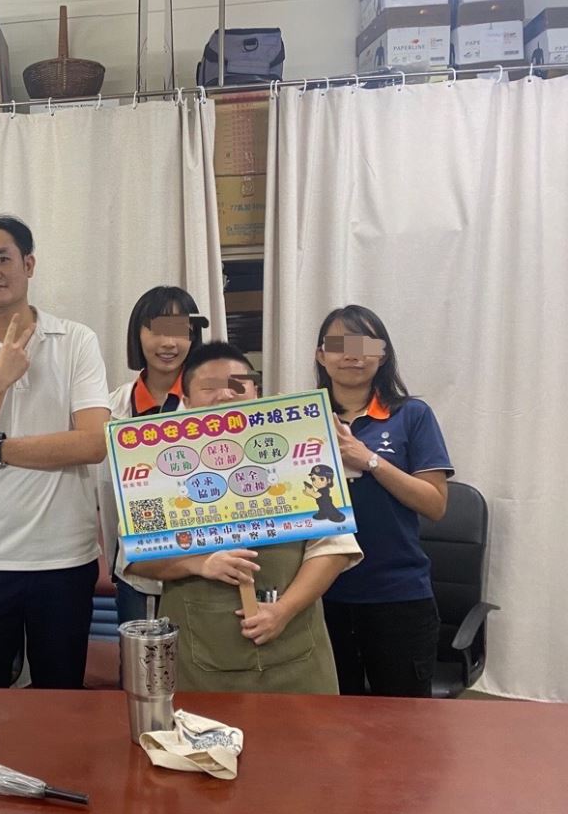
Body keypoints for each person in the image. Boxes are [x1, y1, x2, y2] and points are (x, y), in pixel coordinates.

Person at [0, 214, 111, 689]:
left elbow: (93, 442)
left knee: (60, 704)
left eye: (1, 259)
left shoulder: (77, 341)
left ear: (28, 264)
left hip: (64, 560)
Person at [125, 341, 362, 694]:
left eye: (237, 385)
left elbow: (334, 548)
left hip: (297, 653)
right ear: (186, 399)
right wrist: (198, 563)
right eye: (208, 387)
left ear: (256, 392)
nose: (224, 395)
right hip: (202, 658)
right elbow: (136, 557)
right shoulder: (154, 459)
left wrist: (283, 610)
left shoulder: (299, 445)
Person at [315, 305, 453, 698]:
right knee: (329, 719)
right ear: (321, 355)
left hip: (397, 595)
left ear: (383, 353)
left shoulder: (412, 415)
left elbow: (435, 505)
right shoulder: (303, 419)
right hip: (320, 596)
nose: (352, 354)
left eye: (364, 344)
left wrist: (370, 461)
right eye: (339, 344)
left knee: (402, 723)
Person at [98, 286, 209, 626]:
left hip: (203, 570)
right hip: (137, 575)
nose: (168, 343)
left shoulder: (212, 406)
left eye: (180, 331)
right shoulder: (112, 407)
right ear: (138, 333)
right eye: (158, 330)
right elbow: (105, 496)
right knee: (141, 659)